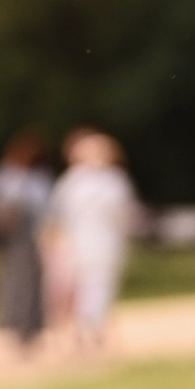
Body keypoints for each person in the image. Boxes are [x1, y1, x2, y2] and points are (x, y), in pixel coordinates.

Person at [47, 127, 140, 354]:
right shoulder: (94, 181)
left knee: (94, 286)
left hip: (98, 241)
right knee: (93, 287)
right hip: (85, 243)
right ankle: (90, 328)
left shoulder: (83, 181)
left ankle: (88, 328)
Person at [0, 132, 52, 348]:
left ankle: (29, 326)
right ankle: (14, 324)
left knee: (31, 282)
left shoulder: (37, 178)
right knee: (12, 282)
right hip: (11, 239)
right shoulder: (7, 176)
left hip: (32, 237)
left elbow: (46, 209)